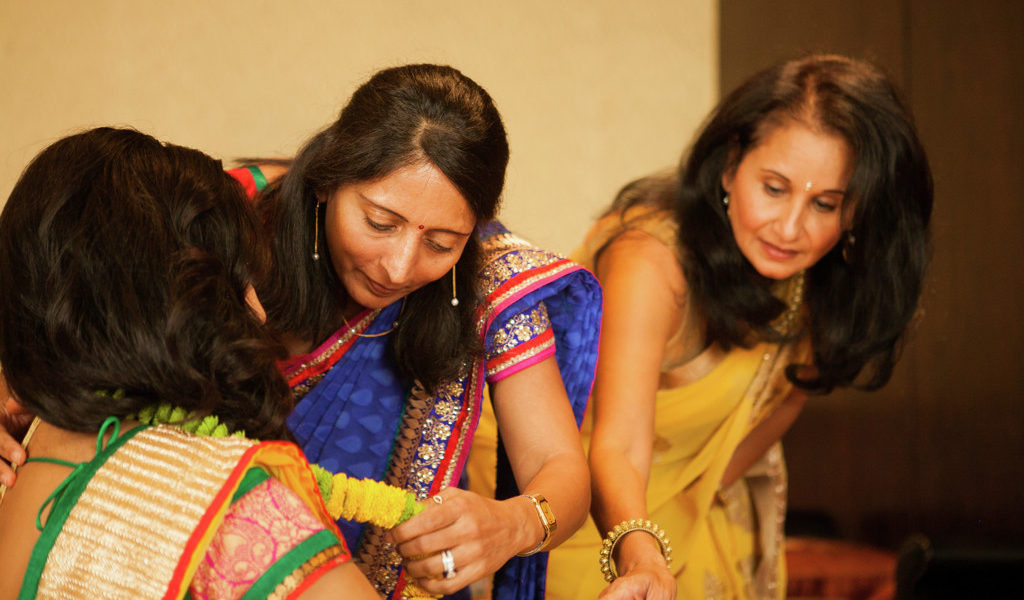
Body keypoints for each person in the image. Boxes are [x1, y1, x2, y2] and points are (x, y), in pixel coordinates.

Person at [544, 55, 934, 599]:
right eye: (773, 188)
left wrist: (693, 500)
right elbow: (621, 446)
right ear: (730, 166)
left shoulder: (823, 279)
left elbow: (785, 398)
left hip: (686, 510)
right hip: (575, 509)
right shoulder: (651, 261)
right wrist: (643, 551)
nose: (790, 228)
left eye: (824, 204)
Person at [233, 64, 601, 599]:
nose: (399, 268)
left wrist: (514, 523)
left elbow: (558, 465)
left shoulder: (490, 279)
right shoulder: (231, 222)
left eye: (441, 243)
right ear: (328, 180)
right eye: (380, 224)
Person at [0, 128, 379, 599]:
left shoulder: (23, 450)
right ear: (179, 301)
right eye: (240, 280)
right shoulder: (234, 510)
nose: (259, 311)